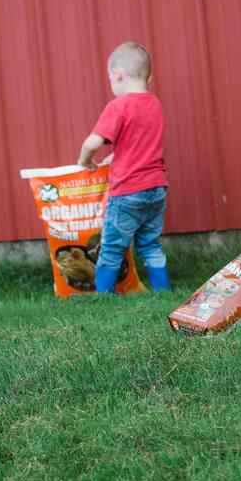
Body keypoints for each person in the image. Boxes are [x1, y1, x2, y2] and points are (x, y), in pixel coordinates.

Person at [76, 41, 172, 293]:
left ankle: (103, 296)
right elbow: (139, 144)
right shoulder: (155, 104)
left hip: (127, 192)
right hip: (157, 188)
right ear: (148, 76)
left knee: (112, 247)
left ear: (117, 75)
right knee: (150, 244)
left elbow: (92, 142)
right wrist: (116, 157)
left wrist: (85, 161)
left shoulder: (118, 106)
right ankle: (163, 291)